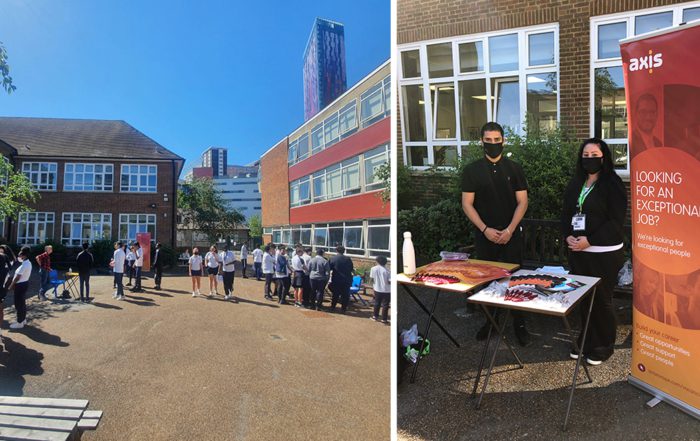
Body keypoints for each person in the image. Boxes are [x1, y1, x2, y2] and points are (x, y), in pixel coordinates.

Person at [461, 121, 531, 346]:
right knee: (488, 281)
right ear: (481, 141)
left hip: (511, 236)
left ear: (504, 141)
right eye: (488, 140)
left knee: (516, 281)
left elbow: (523, 202)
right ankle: (491, 321)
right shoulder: (471, 170)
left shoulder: (515, 168)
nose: (493, 144)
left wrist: (510, 229)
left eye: (497, 140)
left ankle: (519, 323)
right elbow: (467, 204)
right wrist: (484, 229)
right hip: (485, 236)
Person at [561, 137, 626, 366]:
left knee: (601, 300)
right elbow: (567, 212)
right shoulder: (577, 182)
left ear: (604, 157)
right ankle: (586, 340)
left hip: (604, 252)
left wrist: (590, 241)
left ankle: (603, 346)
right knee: (585, 299)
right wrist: (567, 234)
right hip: (579, 251)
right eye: (586, 156)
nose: (590, 160)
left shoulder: (612, 183)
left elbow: (616, 221)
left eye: (594, 155)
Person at [630, 94, 662, 158]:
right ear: (636, 114)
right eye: (643, 112)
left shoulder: (659, 144)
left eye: (652, 112)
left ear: (657, 115)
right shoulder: (631, 141)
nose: (648, 117)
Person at [8, 247, 32, 329]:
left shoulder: (25, 264)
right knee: (21, 303)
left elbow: (17, 277)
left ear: (24, 255)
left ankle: (20, 322)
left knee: (19, 304)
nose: (19, 256)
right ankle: (23, 319)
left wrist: (11, 285)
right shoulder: (27, 263)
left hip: (20, 285)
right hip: (23, 284)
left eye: (20, 254)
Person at [329, 245, 354, 313]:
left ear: (336, 251)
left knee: (335, 294)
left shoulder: (333, 258)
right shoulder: (348, 259)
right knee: (345, 295)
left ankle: (333, 307)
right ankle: (343, 309)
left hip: (337, 279)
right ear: (344, 251)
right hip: (347, 279)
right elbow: (351, 268)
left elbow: (329, 268)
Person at [0, 245, 17, 344]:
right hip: (3, 289)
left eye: (2, 251)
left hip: (2, 289)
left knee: (0, 308)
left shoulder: (7, 263)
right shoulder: (6, 263)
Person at [370, 255, 391, 324]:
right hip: (387, 290)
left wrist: (373, 287)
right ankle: (384, 319)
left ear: (377, 261)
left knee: (377, 303)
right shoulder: (388, 270)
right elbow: (389, 281)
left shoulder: (373, 268)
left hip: (377, 288)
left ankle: (375, 316)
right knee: (385, 304)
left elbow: (372, 279)